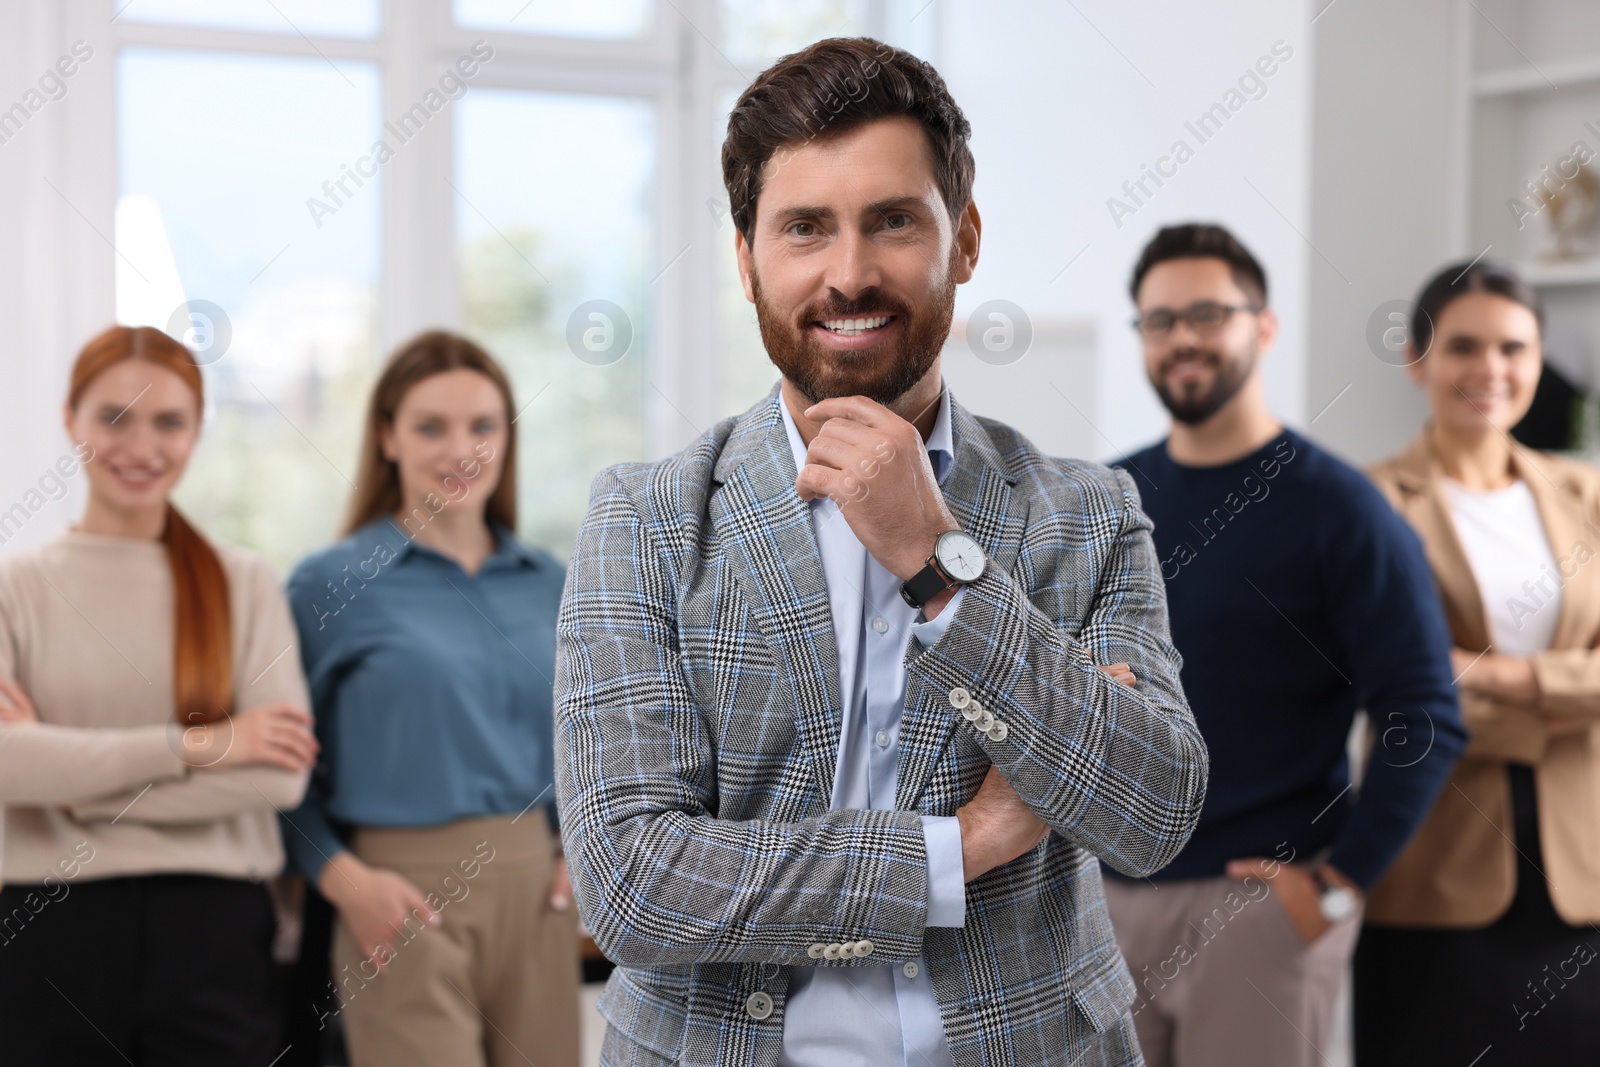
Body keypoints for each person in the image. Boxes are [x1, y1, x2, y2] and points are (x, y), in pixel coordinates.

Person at [556, 38, 1208, 1067]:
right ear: (745, 259)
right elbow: (635, 883)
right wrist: (966, 846)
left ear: (964, 240)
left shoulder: (1085, 512)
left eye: (892, 220)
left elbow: (1150, 808)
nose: (848, 273)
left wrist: (935, 560)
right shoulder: (644, 518)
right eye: (804, 228)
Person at [1104, 223, 1465, 1067]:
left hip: (1256, 908)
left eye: (1207, 313)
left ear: (1262, 327)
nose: (1183, 337)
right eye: (1160, 320)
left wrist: (1338, 887)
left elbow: (1425, 712)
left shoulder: (1341, 509)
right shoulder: (1109, 500)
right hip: (1104, 906)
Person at [0, 325, 318, 1063]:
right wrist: (199, 744)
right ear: (69, 418)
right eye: (114, 416)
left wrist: (69, 789)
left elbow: (279, 771)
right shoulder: (17, 587)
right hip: (48, 929)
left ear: (197, 431)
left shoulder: (244, 583)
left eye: (168, 421)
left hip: (212, 934)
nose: (140, 446)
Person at [279, 331, 578, 1067]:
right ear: (386, 437)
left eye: (482, 425)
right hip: (399, 897)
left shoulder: (552, 580)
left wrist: (577, 847)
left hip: (540, 897)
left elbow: (592, 740)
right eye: (430, 426)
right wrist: (344, 881)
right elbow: (275, 774)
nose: (461, 449)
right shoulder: (329, 586)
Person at [1355, 262, 1600, 1064]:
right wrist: (1568, 697)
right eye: (1463, 346)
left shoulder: (1585, 494)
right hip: (1436, 872)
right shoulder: (1371, 502)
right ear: (1417, 357)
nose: (1490, 370)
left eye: (1512, 348)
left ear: (1537, 362)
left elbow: (1444, 683)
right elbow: (1394, 685)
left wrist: (1489, 673)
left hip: (1584, 873)